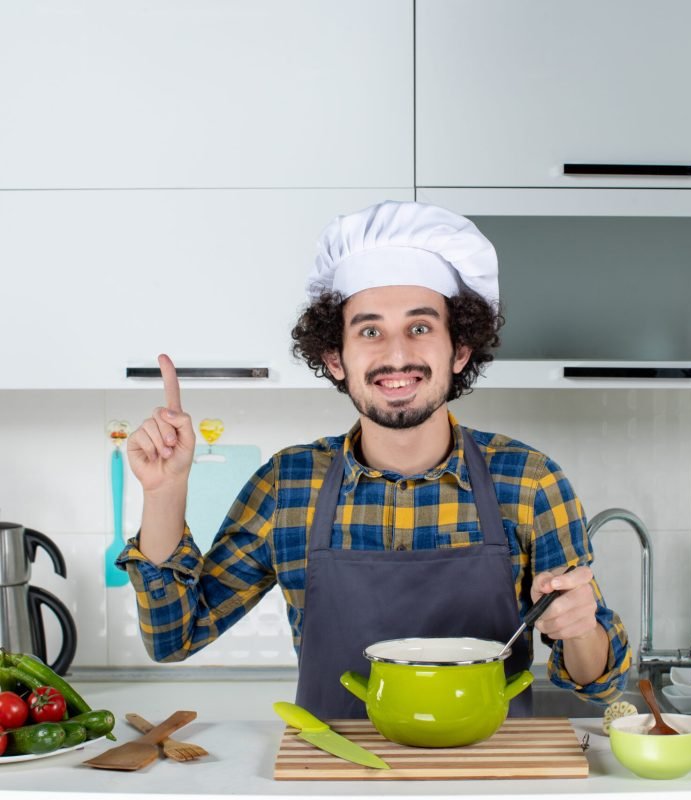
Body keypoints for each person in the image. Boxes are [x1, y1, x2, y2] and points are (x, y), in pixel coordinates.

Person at [118, 200, 631, 718]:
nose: (397, 354)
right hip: (337, 774)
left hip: (486, 774)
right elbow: (174, 638)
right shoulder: (287, 485)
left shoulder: (528, 482)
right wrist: (163, 494)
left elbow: (600, 687)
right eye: (369, 331)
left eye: (421, 327)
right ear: (335, 358)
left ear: (459, 351)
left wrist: (581, 626)